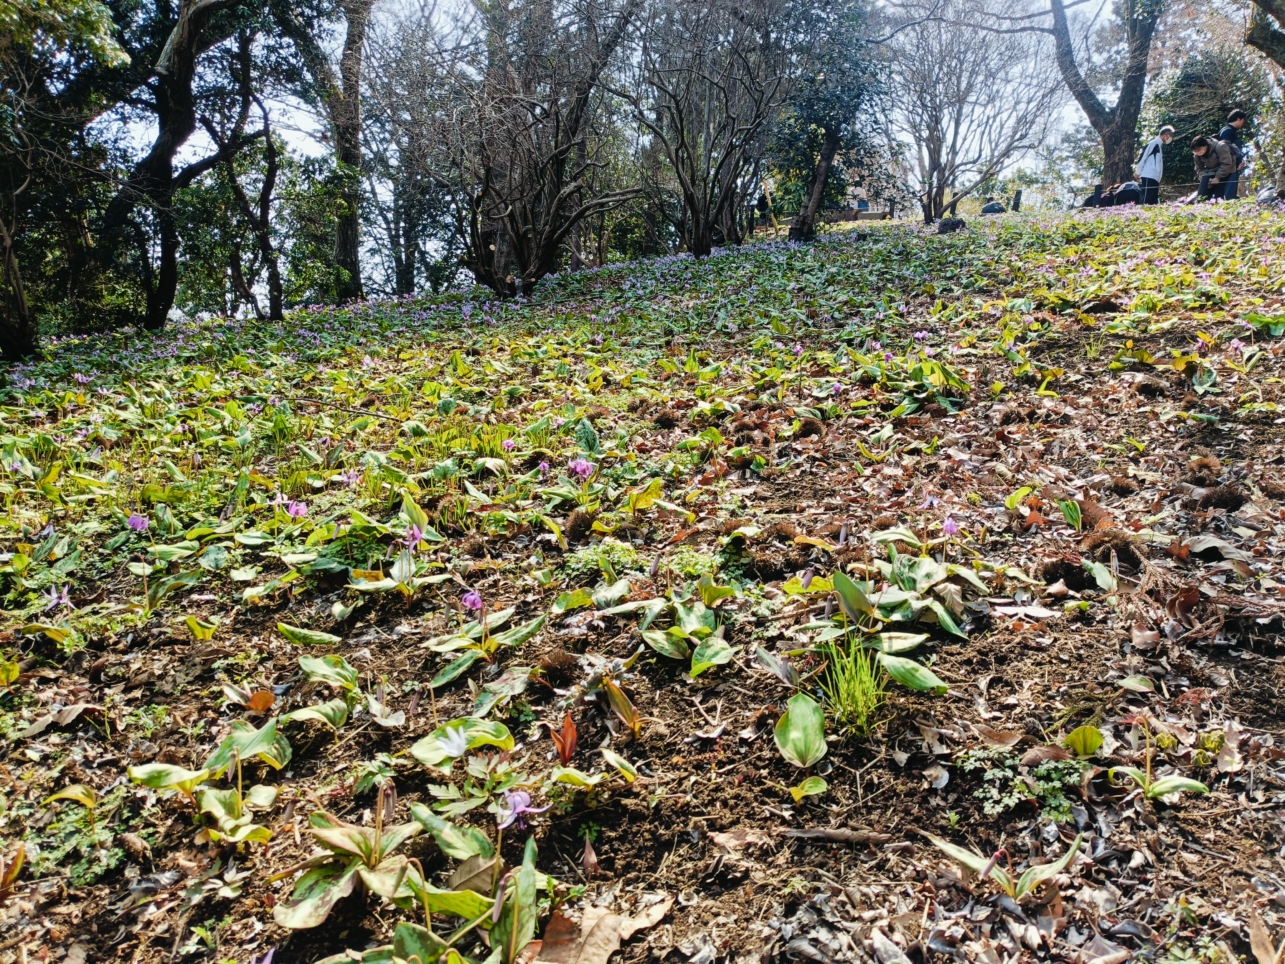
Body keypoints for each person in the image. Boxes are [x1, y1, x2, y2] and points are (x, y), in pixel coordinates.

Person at [1135, 125, 1174, 204]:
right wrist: (1137, 172)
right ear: (1166, 135)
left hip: (1155, 178)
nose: (1170, 138)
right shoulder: (1153, 143)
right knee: (1146, 200)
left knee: (1153, 201)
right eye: (1170, 136)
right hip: (1149, 176)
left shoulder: (1159, 145)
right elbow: (1143, 157)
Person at [1216, 109, 1248, 201]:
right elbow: (1225, 150)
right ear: (1238, 119)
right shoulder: (1228, 131)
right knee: (1229, 195)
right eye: (1243, 121)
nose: (1242, 124)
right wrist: (1237, 163)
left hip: (1231, 166)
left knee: (1228, 192)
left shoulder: (1226, 130)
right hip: (1229, 167)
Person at [1192, 136, 1236, 201]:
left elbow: (1226, 163)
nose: (1197, 152)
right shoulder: (1196, 155)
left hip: (1227, 170)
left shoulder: (1220, 146)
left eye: (1198, 150)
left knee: (1218, 195)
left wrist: (1218, 177)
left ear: (1205, 146)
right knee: (1202, 195)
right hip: (1210, 171)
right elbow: (1199, 169)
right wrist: (1208, 180)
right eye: (1195, 151)